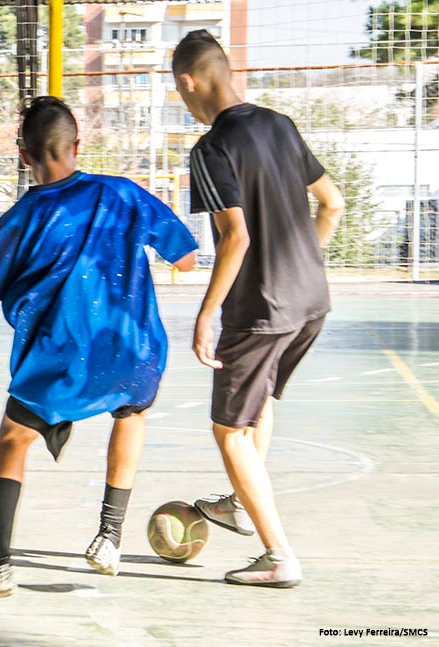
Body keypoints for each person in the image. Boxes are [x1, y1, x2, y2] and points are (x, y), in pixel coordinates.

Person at [0, 96, 198, 609]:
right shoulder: (123, 194)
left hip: (61, 356)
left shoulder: (18, 220)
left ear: (24, 155)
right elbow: (185, 258)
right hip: (132, 348)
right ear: (78, 146)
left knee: (12, 440)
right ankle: (109, 535)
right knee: (132, 412)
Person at [172, 30, 344, 587]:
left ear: (188, 81)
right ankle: (240, 505)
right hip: (310, 299)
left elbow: (235, 238)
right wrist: (300, 260)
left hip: (261, 308)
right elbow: (332, 203)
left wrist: (205, 314)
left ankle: (279, 556)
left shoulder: (210, 148)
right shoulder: (280, 124)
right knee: (259, 399)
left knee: (229, 431)